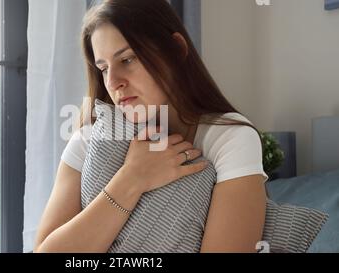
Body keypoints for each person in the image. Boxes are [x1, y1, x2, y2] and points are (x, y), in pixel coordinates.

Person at [34, 0, 268, 253]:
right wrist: (131, 178)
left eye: (127, 59)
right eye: (103, 68)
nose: (112, 82)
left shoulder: (230, 139)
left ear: (176, 49)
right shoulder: (88, 140)